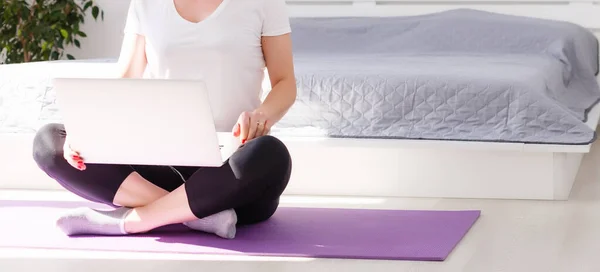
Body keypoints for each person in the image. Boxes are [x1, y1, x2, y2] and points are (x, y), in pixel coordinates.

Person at [32, 0, 296, 239]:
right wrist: (87, 134)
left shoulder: (264, 3)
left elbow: (285, 82)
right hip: (164, 166)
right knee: (49, 142)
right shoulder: (146, 4)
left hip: (232, 176)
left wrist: (261, 116)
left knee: (272, 154)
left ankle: (133, 220)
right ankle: (199, 217)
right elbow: (125, 81)